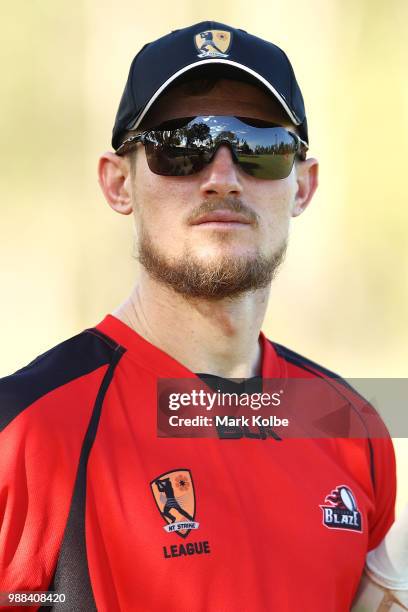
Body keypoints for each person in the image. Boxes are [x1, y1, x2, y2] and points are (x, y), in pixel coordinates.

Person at [0, 20, 397, 611]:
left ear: (302, 186)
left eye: (261, 146)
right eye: (179, 146)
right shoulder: (27, 432)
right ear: (118, 183)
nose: (221, 176)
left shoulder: (351, 426)